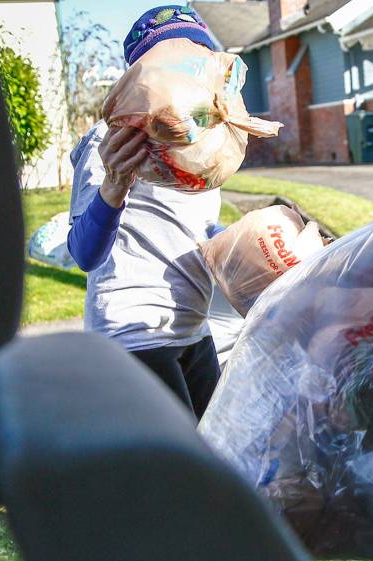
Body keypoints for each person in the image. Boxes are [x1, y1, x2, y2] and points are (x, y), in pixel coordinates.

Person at [67, 5, 222, 418]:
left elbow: (192, 230)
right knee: (181, 476)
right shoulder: (111, 141)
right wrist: (114, 184)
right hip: (132, 333)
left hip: (191, 326)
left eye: (196, 58)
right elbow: (84, 253)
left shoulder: (206, 143)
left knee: (224, 458)